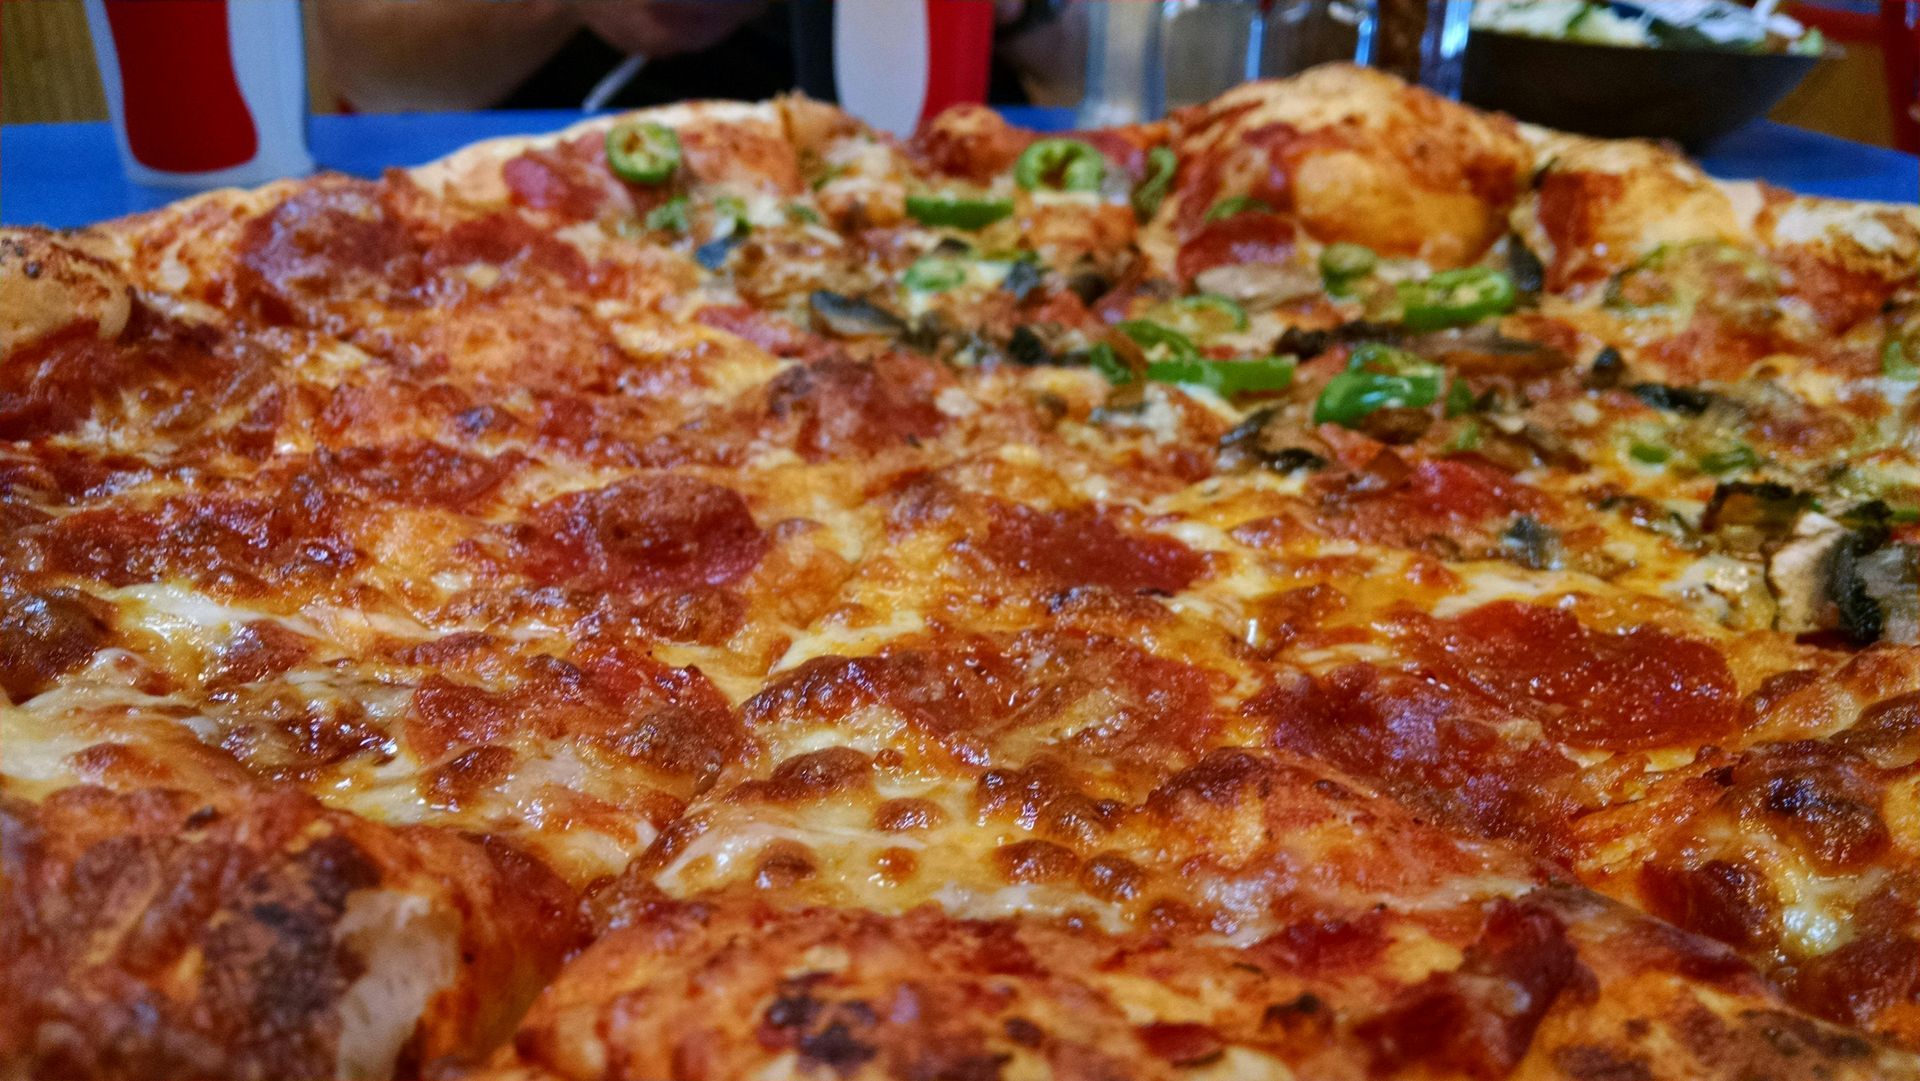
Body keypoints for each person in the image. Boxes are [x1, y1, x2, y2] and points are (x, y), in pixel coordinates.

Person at [312, 0, 1083, 114]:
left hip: (966, 219)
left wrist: (1024, 11)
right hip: (567, 234)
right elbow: (372, 62)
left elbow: (1111, 72)